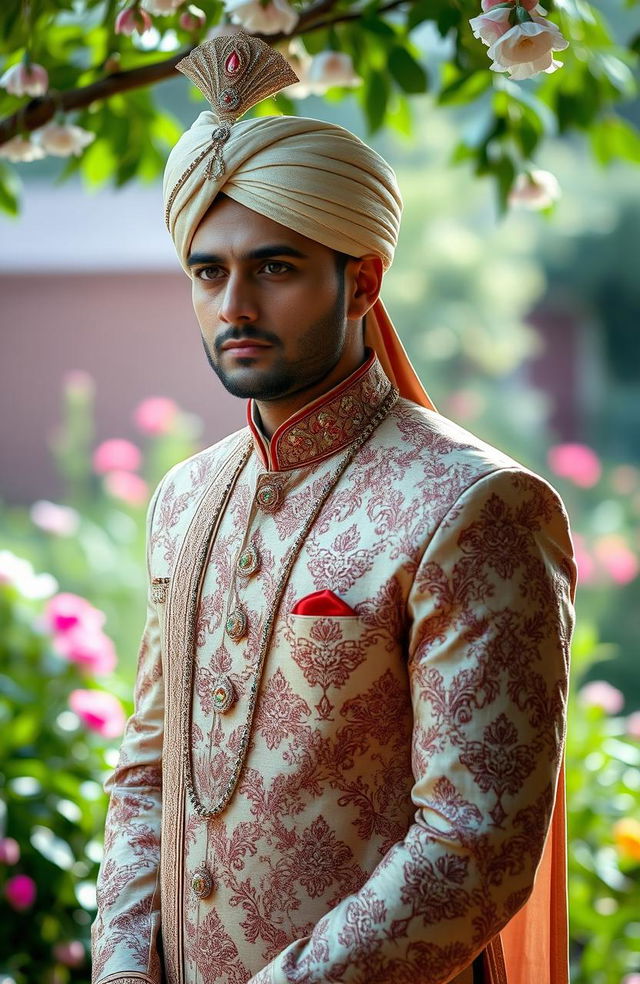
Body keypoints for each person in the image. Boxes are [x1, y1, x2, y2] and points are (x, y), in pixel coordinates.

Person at [91, 32, 576, 984]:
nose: (234, 303)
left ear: (362, 281)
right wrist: (119, 972)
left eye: (274, 268)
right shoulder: (185, 499)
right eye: (208, 271)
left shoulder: (475, 506)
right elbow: (146, 775)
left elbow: (473, 849)